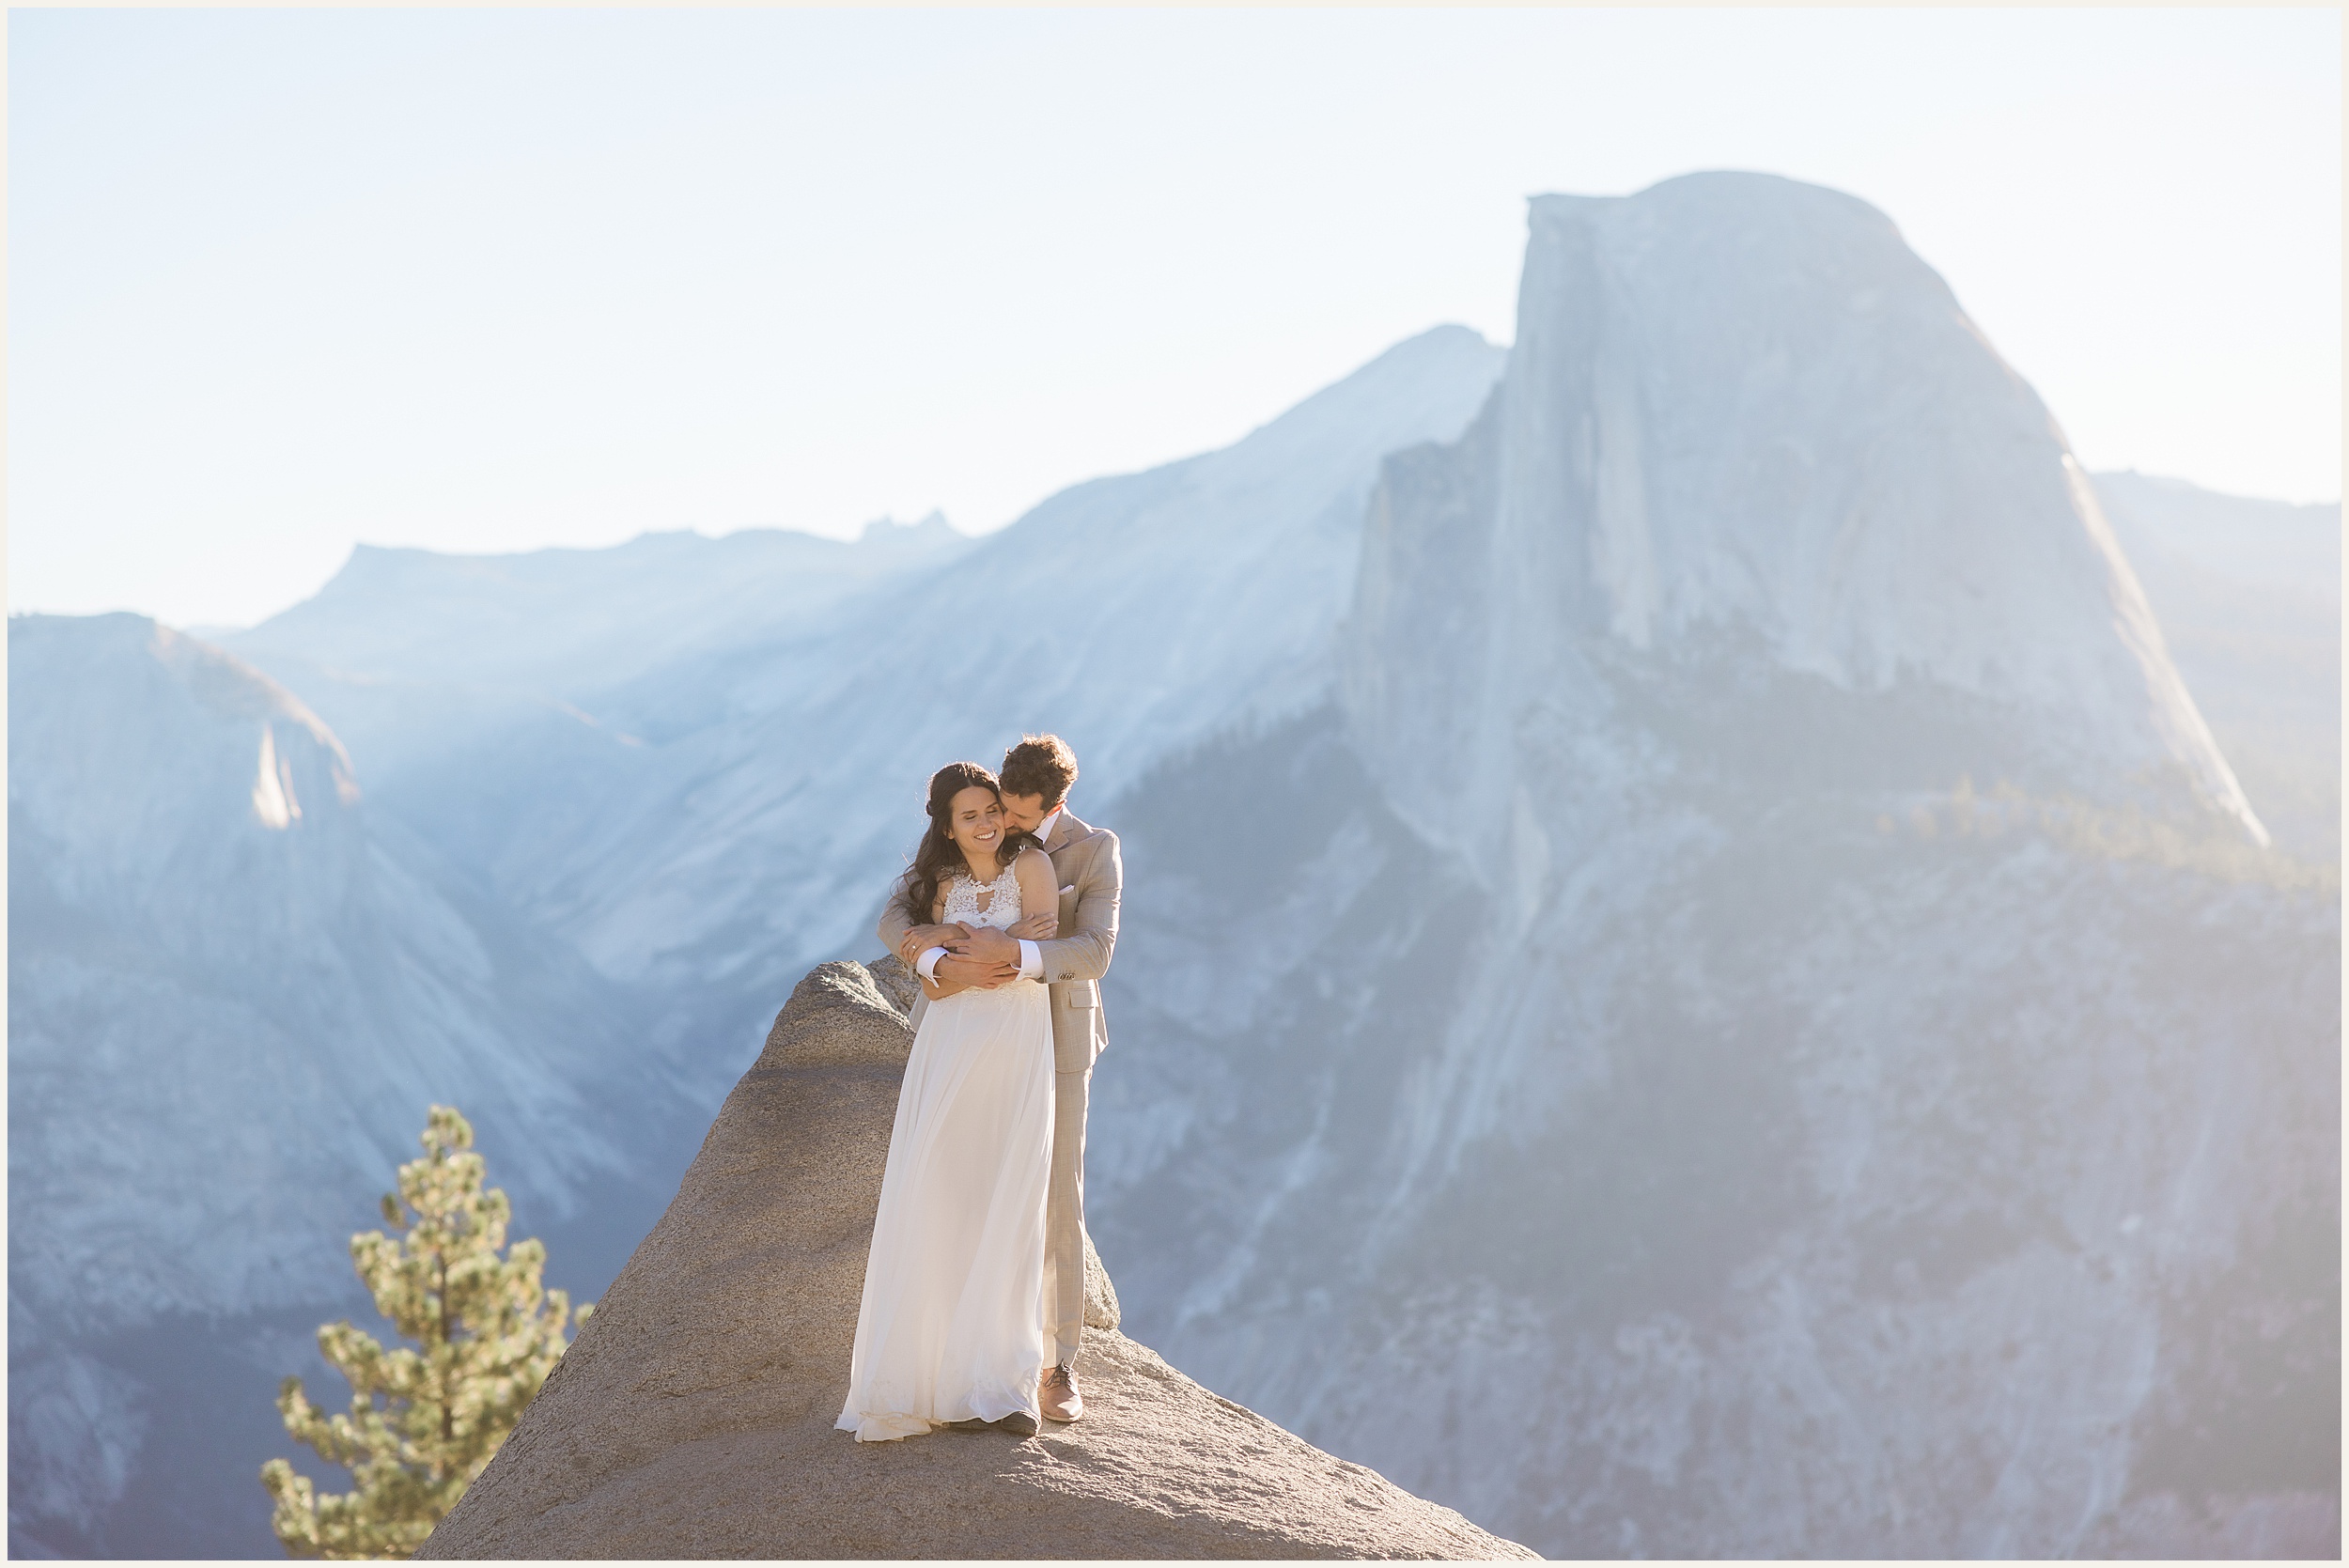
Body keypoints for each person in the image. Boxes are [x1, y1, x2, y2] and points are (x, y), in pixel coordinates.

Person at [879, 733, 1120, 1425]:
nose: (1000, 828)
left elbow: (1095, 949)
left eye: (1017, 818)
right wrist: (934, 963)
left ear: (1054, 804)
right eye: (995, 812)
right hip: (970, 1026)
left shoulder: (1094, 849)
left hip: (1056, 1034)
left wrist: (1013, 950)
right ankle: (960, 1355)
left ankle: (1058, 1365)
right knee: (964, 1186)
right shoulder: (975, 826)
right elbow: (897, 911)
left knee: (1054, 1198)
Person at [836, 762, 1062, 1440]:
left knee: (1010, 1200)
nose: (988, 822)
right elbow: (937, 988)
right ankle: (941, 1382)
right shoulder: (940, 884)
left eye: (991, 808)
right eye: (970, 815)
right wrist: (951, 949)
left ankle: (1004, 1383)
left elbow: (1034, 946)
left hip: (1019, 1045)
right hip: (951, 1046)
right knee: (945, 1198)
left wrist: (949, 942)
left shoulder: (1032, 864)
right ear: (946, 825)